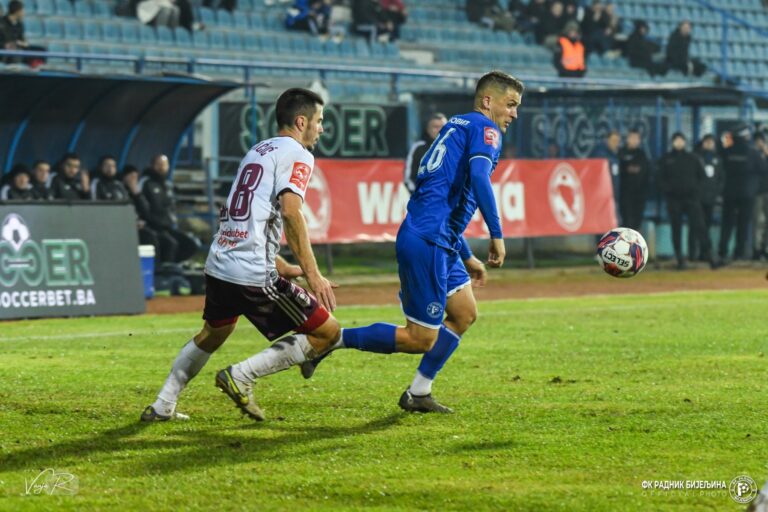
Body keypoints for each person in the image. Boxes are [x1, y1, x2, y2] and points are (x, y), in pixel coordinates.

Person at [219, 71, 523, 416]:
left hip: (439, 237)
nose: (513, 113)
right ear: (488, 101)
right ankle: (333, 341)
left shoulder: (456, 128)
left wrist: (465, 253)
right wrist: (496, 234)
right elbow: (480, 179)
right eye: (510, 104)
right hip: (428, 241)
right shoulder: (486, 130)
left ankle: (418, 392)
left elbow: (443, 196)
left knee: (464, 313)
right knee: (420, 338)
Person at [140, 88, 339, 421]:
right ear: (301, 121)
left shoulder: (258, 150)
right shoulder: (299, 154)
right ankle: (241, 376)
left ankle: (163, 405)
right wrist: (313, 274)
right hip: (251, 273)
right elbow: (292, 212)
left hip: (220, 262)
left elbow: (243, 214)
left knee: (214, 332)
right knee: (327, 332)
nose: (321, 129)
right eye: (319, 121)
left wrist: (283, 265)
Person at [658, 132, 712, 269]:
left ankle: (710, 256)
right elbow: (659, 179)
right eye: (676, 140)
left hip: (691, 199)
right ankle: (679, 258)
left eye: (681, 140)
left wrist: (696, 192)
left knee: (700, 227)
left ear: (685, 142)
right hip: (674, 200)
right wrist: (669, 191)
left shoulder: (693, 158)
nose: (679, 143)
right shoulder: (666, 159)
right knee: (676, 228)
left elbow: (702, 177)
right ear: (672, 142)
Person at [139, 154, 198, 266]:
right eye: (158, 164)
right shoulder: (145, 182)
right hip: (151, 226)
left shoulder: (168, 185)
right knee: (170, 243)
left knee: (191, 245)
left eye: (164, 165)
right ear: (152, 166)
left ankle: (171, 267)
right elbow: (138, 201)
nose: (161, 167)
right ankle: (164, 271)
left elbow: (171, 206)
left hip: (167, 227)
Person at [719, 124, 766, 261]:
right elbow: (763, 169)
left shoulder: (727, 151)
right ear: (746, 137)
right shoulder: (752, 152)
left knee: (727, 224)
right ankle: (738, 253)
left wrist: (729, 136)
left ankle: (722, 251)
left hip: (729, 193)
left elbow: (720, 145)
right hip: (747, 194)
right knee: (743, 224)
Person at [690, 134, 723, 262]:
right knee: (696, 226)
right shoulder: (696, 157)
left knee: (706, 225)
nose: (709, 144)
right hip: (697, 198)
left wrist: (716, 192)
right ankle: (693, 253)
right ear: (703, 143)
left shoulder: (717, 159)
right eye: (707, 142)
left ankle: (704, 254)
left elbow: (721, 178)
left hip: (711, 198)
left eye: (711, 142)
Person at [404, 112, 447, 194]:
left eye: (443, 126)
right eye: (436, 127)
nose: (440, 130)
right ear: (428, 129)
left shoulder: (458, 147)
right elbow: (409, 178)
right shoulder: (418, 148)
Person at [617, 129, 650, 232]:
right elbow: (619, 170)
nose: (635, 140)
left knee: (637, 222)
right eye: (632, 138)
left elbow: (646, 172)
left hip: (639, 194)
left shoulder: (642, 154)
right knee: (626, 220)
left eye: (637, 138)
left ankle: (634, 245)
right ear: (627, 139)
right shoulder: (621, 153)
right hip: (624, 193)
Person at [752, 131, 768, 260]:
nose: (760, 143)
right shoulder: (752, 155)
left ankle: (765, 248)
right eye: (757, 141)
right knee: (758, 222)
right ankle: (757, 249)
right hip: (757, 192)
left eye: (761, 141)